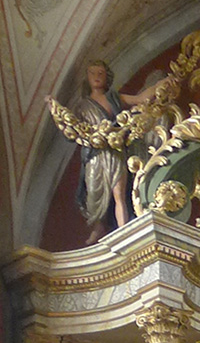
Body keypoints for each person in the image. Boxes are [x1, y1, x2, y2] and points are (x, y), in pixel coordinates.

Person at [53, 60, 164, 244]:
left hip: (115, 149)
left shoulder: (114, 98)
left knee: (118, 192)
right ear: (87, 78)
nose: (97, 77)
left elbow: (139, 99)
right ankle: (98, 226)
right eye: (93, 73)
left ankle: (123, 229)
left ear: (107, 77)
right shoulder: (82, 106)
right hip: (94, 154)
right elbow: (73, 127)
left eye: (101, 73)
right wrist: (54, 108)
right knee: (94, 194)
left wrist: (159, 86)